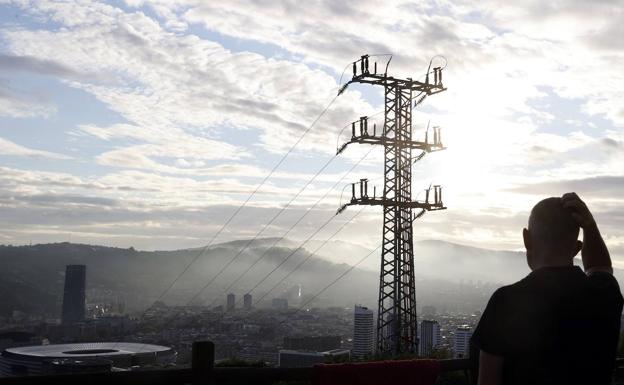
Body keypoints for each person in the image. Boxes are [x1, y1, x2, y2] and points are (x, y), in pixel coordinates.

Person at [472, 193, 623, 385]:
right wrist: (590, 227)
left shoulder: (505, 302)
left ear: (526, 239)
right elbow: (600, 266)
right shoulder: (605, 294)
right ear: (577, 248)